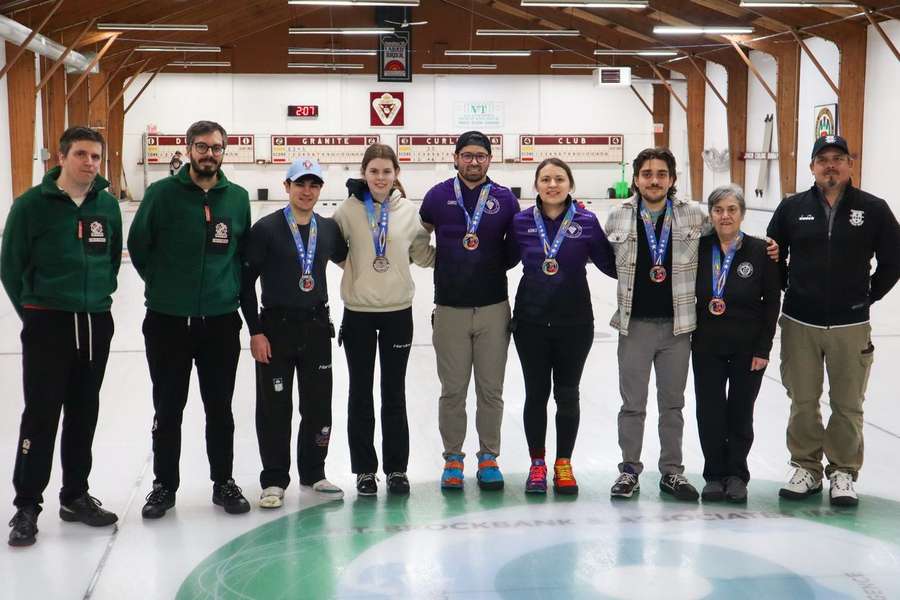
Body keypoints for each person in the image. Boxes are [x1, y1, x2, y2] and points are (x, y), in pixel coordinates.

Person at [1, 126, 121, 546]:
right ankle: (26, 506)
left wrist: (98, 299)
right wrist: (34, 312)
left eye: (96, 157)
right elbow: (11, 266)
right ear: (61, 157)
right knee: (41, 414)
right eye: (82, 155)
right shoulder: (31, 205)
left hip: (93, 322)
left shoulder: (106, 205)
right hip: (47, 321)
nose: (90, 163)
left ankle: (74, 496)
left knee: (84, 412)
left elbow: (112, 259)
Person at [128, 120, 252, 518]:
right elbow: (139, 246)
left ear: (224, 152)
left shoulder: (237, 198)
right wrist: (165, 287)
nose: (209, 154)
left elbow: (241, 254)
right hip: (167, 320)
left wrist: (224, 291)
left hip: (219, 320)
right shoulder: (161, 195)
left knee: (220, 408)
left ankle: (223, 482)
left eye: (216, 147)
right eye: (202, 147)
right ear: (188, 150)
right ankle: (164, 485)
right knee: (168, 408)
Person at [767, 135, 900, 506]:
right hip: (800, 323)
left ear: (850, 164)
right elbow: (772, 256)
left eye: (838, 158)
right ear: (812, 167)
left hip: (850, 325)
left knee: (848, 403)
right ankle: (806, 467)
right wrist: (789, 290)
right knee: (803, 399)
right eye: (822, 159)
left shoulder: (873, 209)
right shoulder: (791, 208)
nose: (830, 165)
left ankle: (842, 471)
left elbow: (893, 260)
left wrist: (866, 296)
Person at [240, 157, 348, 508]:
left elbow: (355, 260)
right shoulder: (266, 229)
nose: (307, 191)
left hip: (316, 327)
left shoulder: (328, 229)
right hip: (276, 329)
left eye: (314, 184)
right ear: (286, 187)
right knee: (274, 407)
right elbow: (244, 283)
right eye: (300, 184)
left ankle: (314, 472)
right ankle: (273, 479)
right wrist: (255, 331)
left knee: (318, 406)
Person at [507, 158, 616, 495]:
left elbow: (612, 264)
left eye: (558, 179)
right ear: (536, 185)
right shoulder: (521, 221)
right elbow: (499, 260)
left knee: (568, 395)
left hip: (575, 323)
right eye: (545, 179)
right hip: (530, 322)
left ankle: (563, 464)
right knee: (536, 394)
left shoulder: (585, 221)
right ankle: (537, 464)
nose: (552, 185)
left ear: (570, 184)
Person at [604, 147, 706, 502]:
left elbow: (723, 246)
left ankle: (672, 473)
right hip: (635, 327)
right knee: (632, 404)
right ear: (635, 179)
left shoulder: (695, 216)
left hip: (677, 328)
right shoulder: (618, 217)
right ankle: (629, 471)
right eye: (647, 173)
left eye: (661, 173)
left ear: (673, 179)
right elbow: (605, 260)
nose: (654, 180)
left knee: (672, 405)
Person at [333, 143, 435, 497]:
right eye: (373, 171)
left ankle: (395, 469)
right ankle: (364, 470)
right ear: (364, 173)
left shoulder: (407, 212)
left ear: (396, 175)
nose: (380, 177)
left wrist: (466, 251)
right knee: (359, 393)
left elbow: (423, 256)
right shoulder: (346, 211)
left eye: (386, 171)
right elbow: (332, 250)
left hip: (397, 314)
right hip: (358, 314)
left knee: (394, 393)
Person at [419, 131, 519, 491]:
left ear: (490, 160)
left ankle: (489, 457)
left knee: (491, 390)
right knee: (453, 391)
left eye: (481, 156)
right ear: (456, 157)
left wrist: (492, 266)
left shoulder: (505, 199)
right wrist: (436, 262)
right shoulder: (438, 195)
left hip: (493, 307)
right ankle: (453, 459)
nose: (474, 161)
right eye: (467, 155)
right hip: (450, 308)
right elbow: (419, 236)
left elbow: (517, 246)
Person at [692, 184, 780, 503]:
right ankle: (714, 475)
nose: (725, 216)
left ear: (742, 213)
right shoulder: (699, 249)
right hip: (706, 345)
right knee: (710, 412)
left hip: (747, 348)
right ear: (711, 214)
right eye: (718, 210)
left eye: (732, 209)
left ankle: (736, 475)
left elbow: (772, 302)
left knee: (741, 413)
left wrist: (763, 349)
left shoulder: (761, 251)